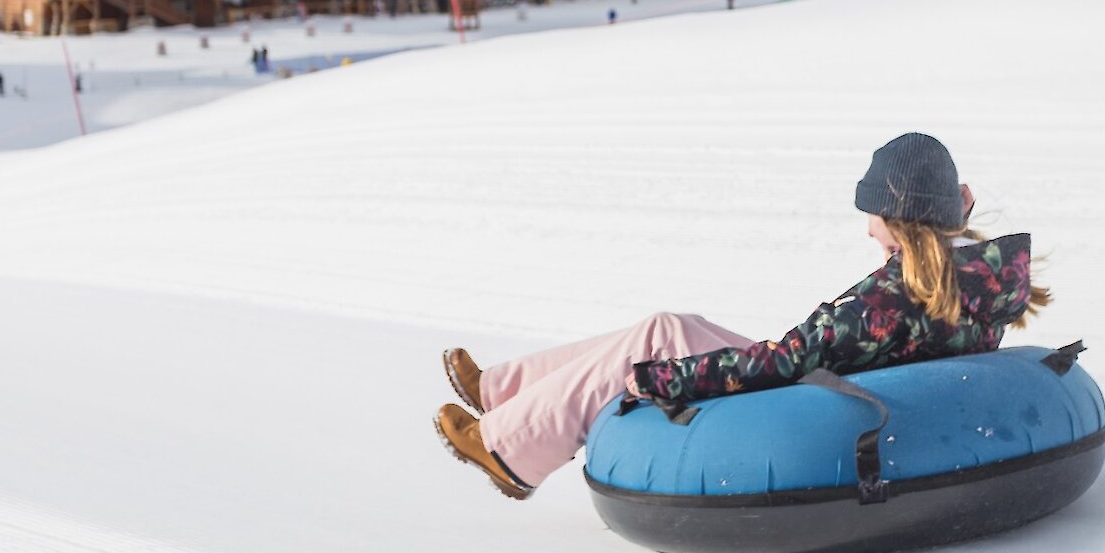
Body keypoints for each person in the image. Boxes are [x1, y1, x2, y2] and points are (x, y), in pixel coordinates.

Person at [433, 133, 1050, 501]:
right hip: (834, 379)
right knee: (668, 324)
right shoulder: (974, 275)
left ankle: (506, 449)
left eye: (877, 224)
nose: (869, 234)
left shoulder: (888, 302)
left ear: (904, 222)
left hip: (812, 402)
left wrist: (661, 381)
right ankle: (502, 391)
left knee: (647, 353)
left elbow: (786, 360)